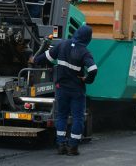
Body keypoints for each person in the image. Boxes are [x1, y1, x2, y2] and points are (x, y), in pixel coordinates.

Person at [33, 25, 97, 156]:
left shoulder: (63, 44)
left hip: (61, 88)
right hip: (77, 90)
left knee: (61, 116)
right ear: (87, 38)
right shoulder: (85, 52)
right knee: (77, 118)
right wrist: (87, 80)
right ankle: (73, 147)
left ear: (77, 33)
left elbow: (46, 57)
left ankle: (61, 145)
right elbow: (93, 69)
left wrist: (34, 60)